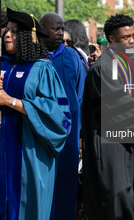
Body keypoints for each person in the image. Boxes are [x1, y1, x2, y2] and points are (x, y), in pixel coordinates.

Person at [0, 7, 71, 220]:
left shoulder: (42, 69)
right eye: (6, 30)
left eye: (13, 31)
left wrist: (11, 102)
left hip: (30, 154)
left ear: (28, 37)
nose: (7, 35)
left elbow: (58, 116)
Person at [82, 14, 134, 220]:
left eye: (132, 36)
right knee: (116, 198)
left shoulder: (130, 64)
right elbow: (115, 107)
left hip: (131, 138)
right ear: (111, 39)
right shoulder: (102, 69)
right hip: (110, 142)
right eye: (125, 37)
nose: (131, 41)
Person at [40, 12, 87, 220]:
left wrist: (79, 132)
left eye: (61, 28)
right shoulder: (33, 56)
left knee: (66, 186)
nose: (60, 33)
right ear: (42, 30)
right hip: (39, 134)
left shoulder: (72, 57)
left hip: (68, 135)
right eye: (55, 29)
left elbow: (81, 96)